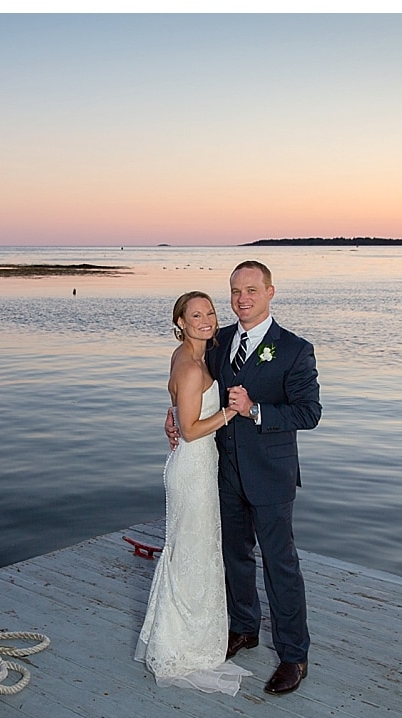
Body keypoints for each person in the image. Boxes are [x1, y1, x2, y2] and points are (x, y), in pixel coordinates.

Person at [167, 261, 321, 695]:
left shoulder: (294, 349)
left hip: (271, 476)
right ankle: (244, 627)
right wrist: (175, 413)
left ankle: (294, 655)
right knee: (233, 556)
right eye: (235, 291)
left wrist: (255, 409)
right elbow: (191, 384)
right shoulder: (219, 343)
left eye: (251, 290)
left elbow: (310, 413)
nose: (242, 299)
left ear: (271, 292)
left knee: (280, 564)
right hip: (223, 471)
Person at [136, 292, 253, 695]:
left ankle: (191, 636)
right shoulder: (189, 366)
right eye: (196, 315)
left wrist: (172, 413)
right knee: (192, 551)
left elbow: (178, 412)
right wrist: (232, 412)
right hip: (193, 466)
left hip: (198, 465)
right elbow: (189, 429)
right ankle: (181, 645)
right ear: (181, 323)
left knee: (194, 550)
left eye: (210, 312)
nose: (206, 320)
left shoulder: (192, 354)